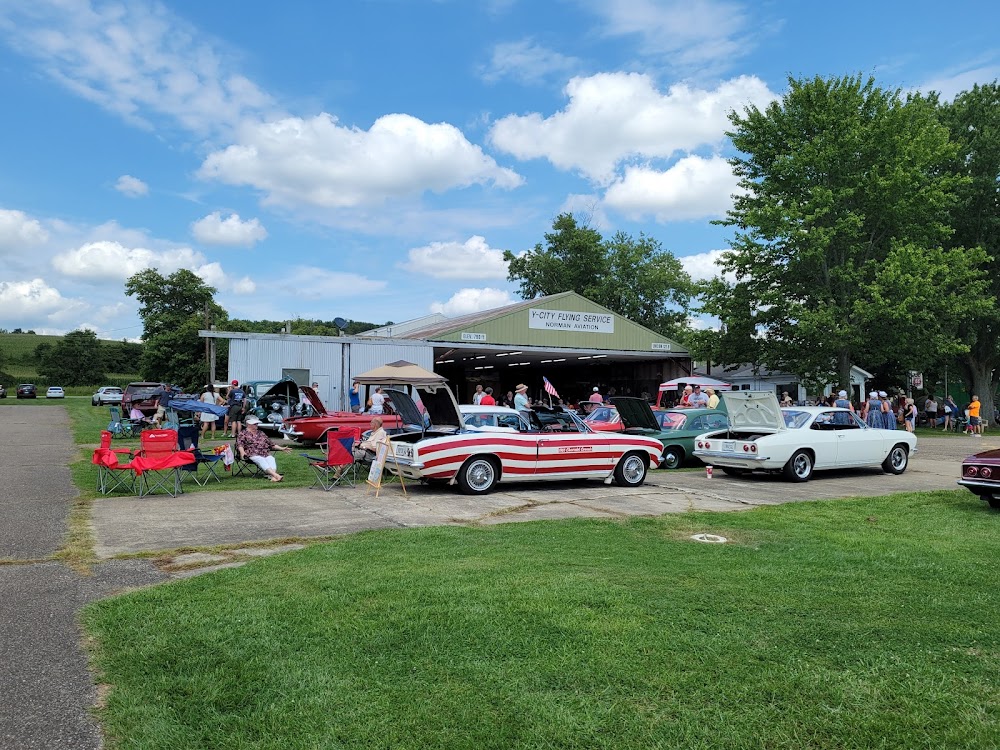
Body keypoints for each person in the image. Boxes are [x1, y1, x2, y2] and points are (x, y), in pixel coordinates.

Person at [236, 415, 291, 482]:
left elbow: (271, 444)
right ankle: (276, 475)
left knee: (271, 458)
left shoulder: (261, 433)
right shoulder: (242, 433)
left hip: (264, 453)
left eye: (257, 423)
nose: (257, 425)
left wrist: (281, 448)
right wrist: (242, 453)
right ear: (248, 424)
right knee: (260, 459)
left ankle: (273, 477)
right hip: (251, 453)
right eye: (255, 424)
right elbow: (240, 444)